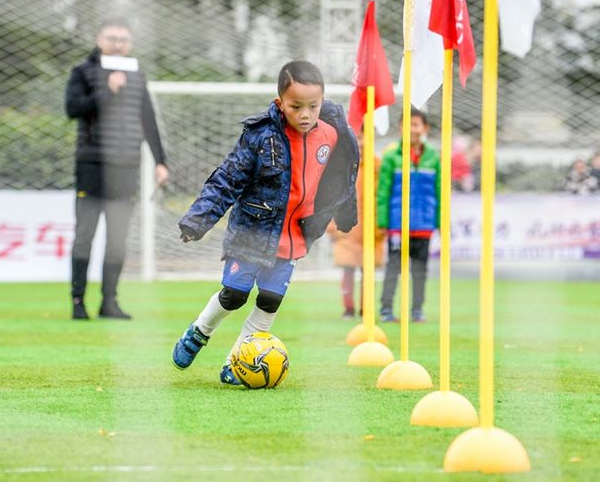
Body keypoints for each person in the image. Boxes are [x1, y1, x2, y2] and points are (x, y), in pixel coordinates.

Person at [171, 61, 359, 384]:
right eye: (295, 106)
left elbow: (341, 179)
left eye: (313, 106)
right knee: (235, 294)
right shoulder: (261, 137)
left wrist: (345, 214)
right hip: (252, 232)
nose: (305, 114)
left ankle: (237, 362)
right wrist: (198, 219)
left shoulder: (332, 134)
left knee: (271, 300)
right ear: (279, 103)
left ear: (323, 101)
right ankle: (199, 332)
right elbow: (227, 179)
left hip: (293, 237)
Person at [65, 16, 170, 320]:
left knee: (118, 239)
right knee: (85, 235)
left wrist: (160, 161)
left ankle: (109, 301)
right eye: (112, 38)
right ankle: (77, 302)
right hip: (91, 165)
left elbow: (148, 119)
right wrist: (107, 91)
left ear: (130, 44)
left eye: (123, 39)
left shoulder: (137, 75)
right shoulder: (83, 71)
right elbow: (73, 109)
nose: (117, 44)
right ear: (99, 39)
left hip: (126, 167)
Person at [376, 109, 440, 323]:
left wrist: (439, 221)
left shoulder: (433, 157)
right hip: (397, 224)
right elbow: (383, 191)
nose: (412, 129)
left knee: (420, 270)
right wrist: (383, 221)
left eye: (416, 125)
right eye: (408, 125)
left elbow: (439, 191)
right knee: (393, 269)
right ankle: (386, 309)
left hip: (423, 224)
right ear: (400, 128)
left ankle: (417, 310)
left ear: (425, 128)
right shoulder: (392, 156)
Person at [326, 128, 385, 319]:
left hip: (371, 229)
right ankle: (348, 308)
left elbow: (382, 196)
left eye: (363, 137)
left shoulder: (377, 165)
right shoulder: (340, 166)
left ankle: (366, 308)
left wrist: (381, 225)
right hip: (347, 229)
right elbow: (331, 199)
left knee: (368, 273)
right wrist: (332, 226)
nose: (360, 142)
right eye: (357, 138)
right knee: (348, 271)